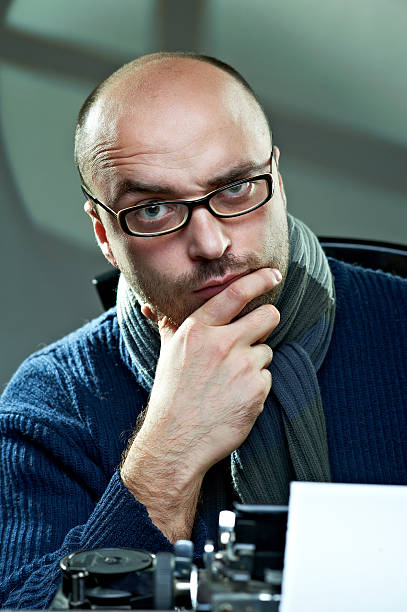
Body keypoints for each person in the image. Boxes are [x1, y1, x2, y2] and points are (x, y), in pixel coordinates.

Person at [1, 52, 406, 609]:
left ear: (276, 179)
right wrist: (167, 453)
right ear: (102, 232)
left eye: (237, 188)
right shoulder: (51, 405)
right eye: (152, 211)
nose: (211, 245)